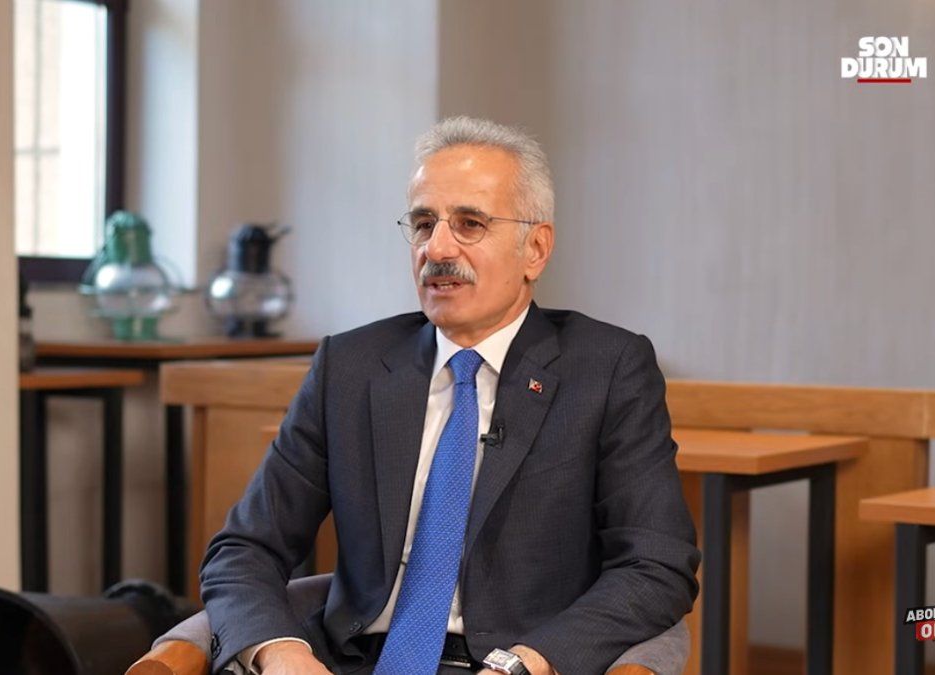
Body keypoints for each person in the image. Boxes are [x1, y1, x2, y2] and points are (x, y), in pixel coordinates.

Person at [199, 116, 700, 675]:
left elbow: (656, 566)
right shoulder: (350, 367)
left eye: (469, 224)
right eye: (422, 223)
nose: (436, 247)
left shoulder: (606, 369)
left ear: (535, 249)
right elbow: (245, 549)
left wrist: (528, 664)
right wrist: (281, 652)